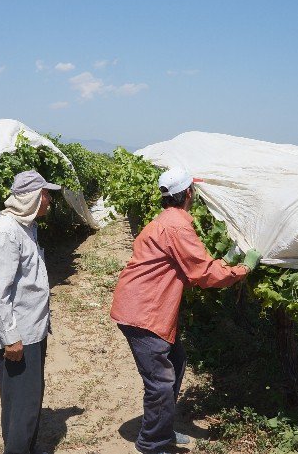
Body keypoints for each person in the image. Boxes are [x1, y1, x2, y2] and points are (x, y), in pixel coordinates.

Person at [110, 167, 261, 454]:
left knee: (176, 362)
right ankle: (152, 444)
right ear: (189, 194)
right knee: (161, 381)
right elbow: (203, 275)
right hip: (144, 312)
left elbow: (189, 267)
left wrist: (224, 260)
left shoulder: (167, 221)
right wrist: (243, 268)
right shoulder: (177, 226)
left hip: (145, 305)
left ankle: (161, 428)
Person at [0, 169, 61, 454]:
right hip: (18, 335)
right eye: (46, 194)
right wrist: (10, 337)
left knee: (29, 399)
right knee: (20, 405)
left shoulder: (26, 227)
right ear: (33, 197)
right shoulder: (5, 234)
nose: (50, 200)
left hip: (32, 329)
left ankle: (26, 447)